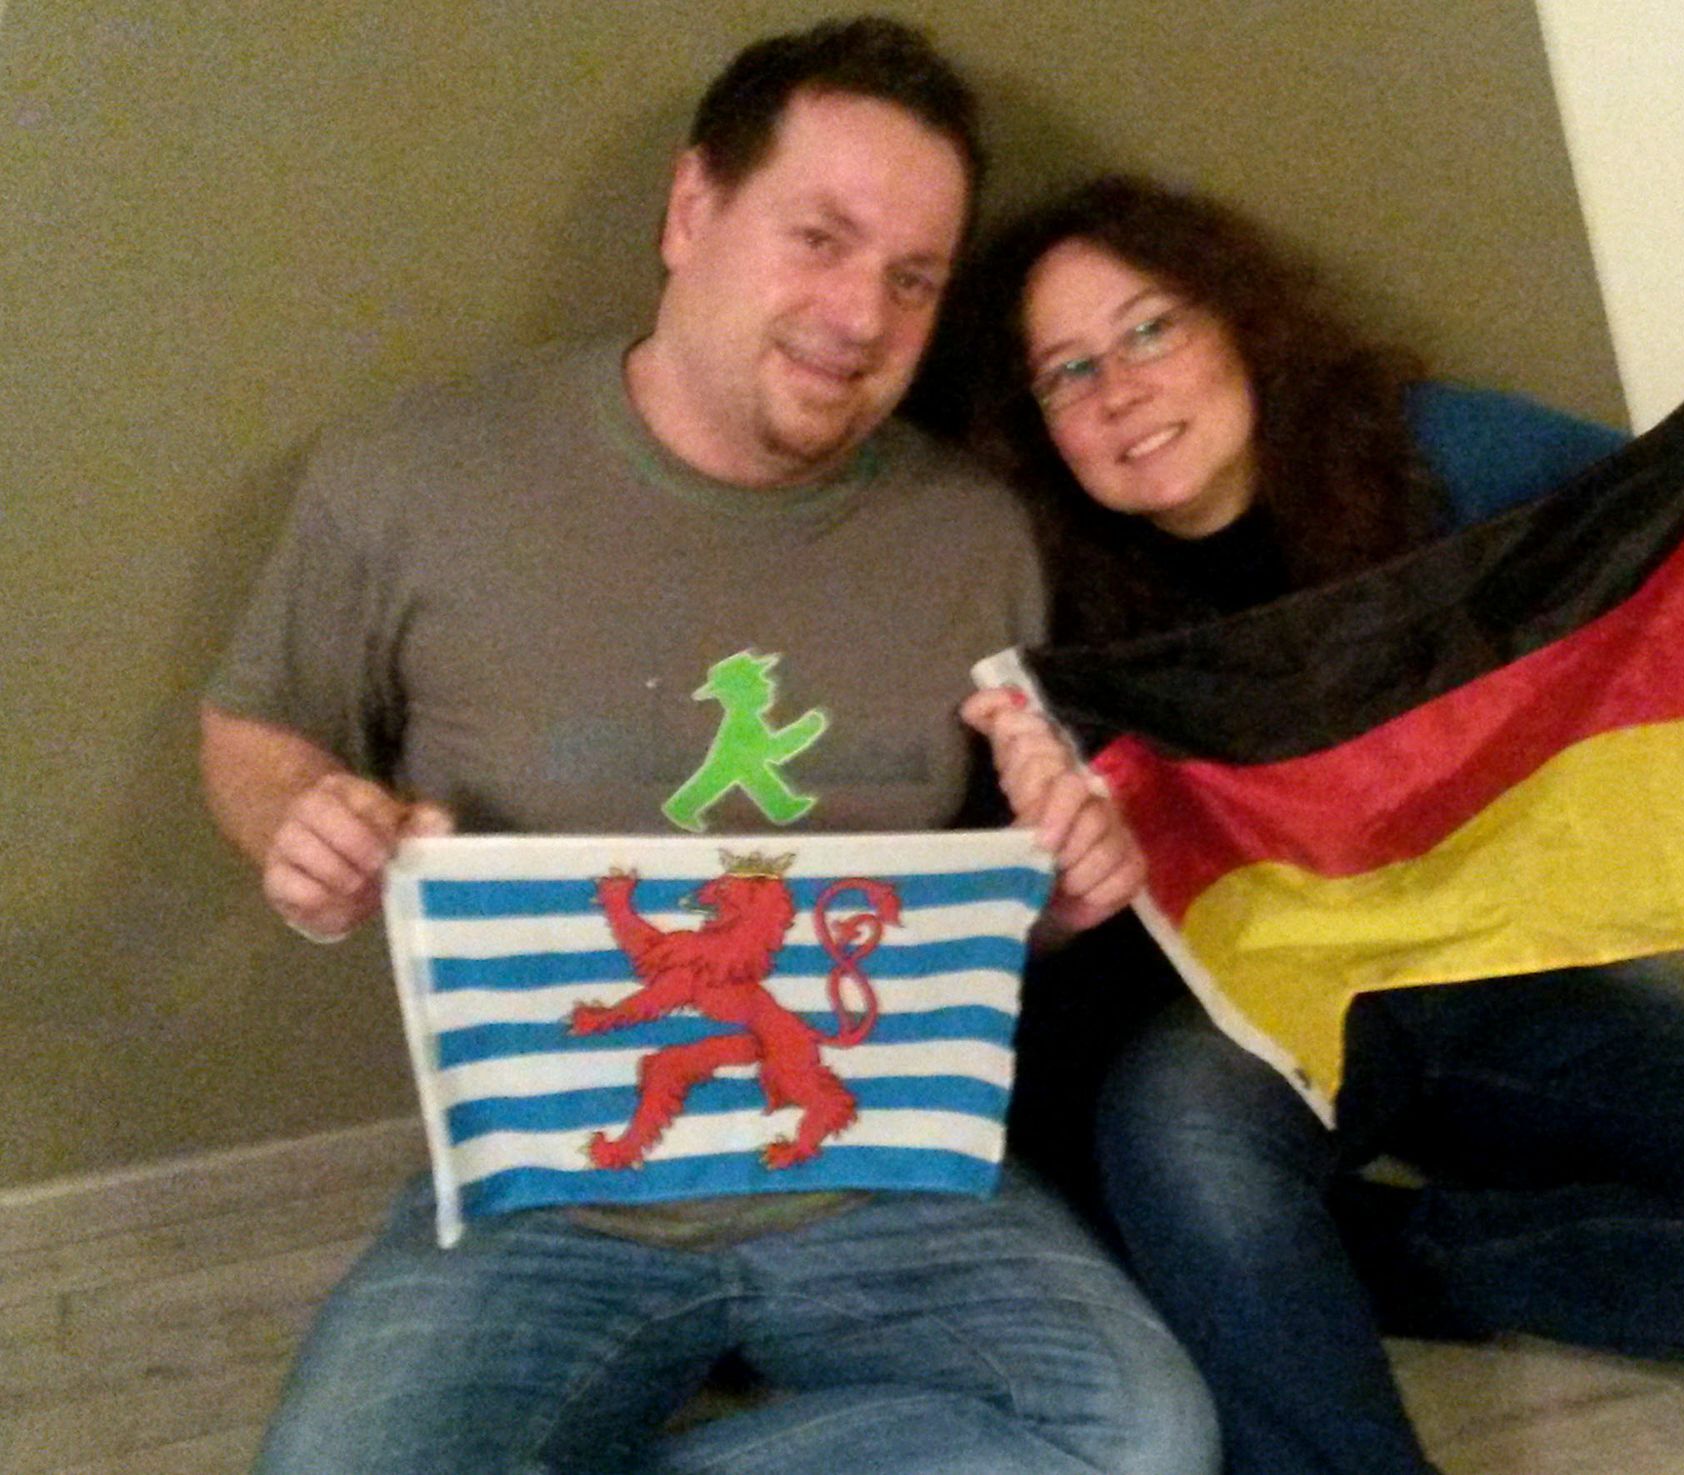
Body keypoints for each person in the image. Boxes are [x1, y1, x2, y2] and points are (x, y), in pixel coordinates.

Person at [199, 30, 1216, 1475]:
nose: (859, 316)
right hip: (543, 1186)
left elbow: (982, 906)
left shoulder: (980, 537)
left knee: (1144, 1440)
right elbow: (257, 722)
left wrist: (1057, 897)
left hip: (890, 1171)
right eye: (820, 239)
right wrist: (306, 817)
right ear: (692, 213)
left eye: (914, 279)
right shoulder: (415, 472)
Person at [959, 174, 1684, 1475]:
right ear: (1039, 427)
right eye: (1069, 372)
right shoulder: (1022, 585)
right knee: (1170, 1131)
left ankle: (1338, 1266)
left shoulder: (1438, 452)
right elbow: (1017, 923)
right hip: (1252, 1015)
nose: (1122, 389)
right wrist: (1054, 848)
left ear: (1238, 321)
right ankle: (1274, 1305)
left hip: (1495, 962)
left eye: (1150, 329)